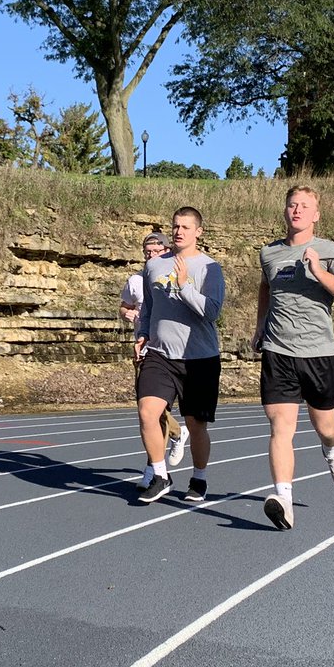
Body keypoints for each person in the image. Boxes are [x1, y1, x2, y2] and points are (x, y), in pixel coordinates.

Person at [252, 185, 334, 530]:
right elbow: (266, 286)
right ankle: (283, 498)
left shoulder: (328, 250)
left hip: (319, 354)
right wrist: (259, 327)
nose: (297, 210)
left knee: (325, 427)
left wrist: (320, 272)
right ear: (285, 211)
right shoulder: (269, 254)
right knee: (280, 427)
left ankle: (331, 450)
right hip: (278, 351)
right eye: (292, 205)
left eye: (304, 206)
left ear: (316, 215)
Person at [133, 207, 225, 503]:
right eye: (175, 226)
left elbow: (211, 312)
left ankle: (199, 477)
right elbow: (148, 306)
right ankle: (160, 475)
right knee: (148, 412)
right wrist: (142, 334)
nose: (179, 231)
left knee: (196, 425)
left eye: (186, 227)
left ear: (199, 231)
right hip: (160, 354)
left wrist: (184, 284)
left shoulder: (210, 268)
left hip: (199, 358)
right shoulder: (154, 266)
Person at [120, 231, 187, 485]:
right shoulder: (136, 280)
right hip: (143, 348)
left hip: (170, 351)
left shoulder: (174, 274)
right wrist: (128, 315)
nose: (151, 256)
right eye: (147, 253)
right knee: (148, 411)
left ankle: (155, 468)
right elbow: (124, 306)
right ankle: (168, 447)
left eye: (156, 252)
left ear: (167, 250)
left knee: (155, 411)